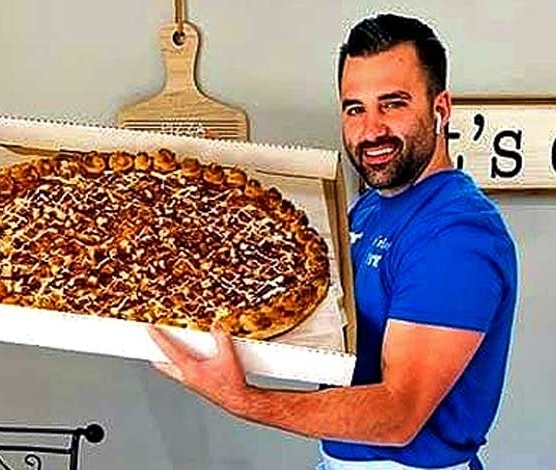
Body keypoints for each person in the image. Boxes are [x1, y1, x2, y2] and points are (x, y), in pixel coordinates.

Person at [148, 12, 519, 470]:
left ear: (440, 109)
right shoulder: (371, 206)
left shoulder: (456, 234)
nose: (370, 130)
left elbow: (398, 415)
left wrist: (244, 400)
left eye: (393, 104)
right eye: (355, 108)